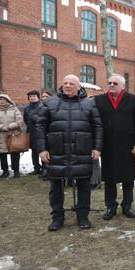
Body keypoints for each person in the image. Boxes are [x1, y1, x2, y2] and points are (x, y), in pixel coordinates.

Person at [36, 75, 102, 231]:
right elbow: (40, 127)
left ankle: (83, 216)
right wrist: (42, 149)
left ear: (79, 86)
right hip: (56, 151)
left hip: (82, 151)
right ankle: (57, 217)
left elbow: (98, 127)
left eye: (71, 83)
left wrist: (97, 148)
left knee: (84, 186)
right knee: (56, 187)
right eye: (65, 83)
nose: (67, 86)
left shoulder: (90, 104)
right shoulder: (50, 102)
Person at [94, 74, 135, 220]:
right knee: (109, 178)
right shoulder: (99, 100)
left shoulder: (132, 99)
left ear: (123, 86)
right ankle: (111, 206)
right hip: (108, 145)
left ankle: (127, 205)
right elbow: (96, 123)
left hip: (128, 145)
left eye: (115, 83)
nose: (111, 85)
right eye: (109, 83)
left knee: (128, 177)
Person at [0, 93, 25, 178]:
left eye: (4, 99)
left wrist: (11, 126)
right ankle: (5, 171)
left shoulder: (14, 109)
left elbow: (19, 120)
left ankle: (16, 171)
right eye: (0, 100)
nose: (2, 101)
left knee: (15, 153)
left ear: (8, 100)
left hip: (13, 133)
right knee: (2, 154)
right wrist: (1, 127)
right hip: (0, 134)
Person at [24, 90, 44, 175]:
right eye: (30, 96)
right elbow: (25, 120)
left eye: (34, 96)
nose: (32, 98)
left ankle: (44, 169)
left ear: (38, 97)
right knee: (33, 151)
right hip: (31, 132)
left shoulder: (42, 106)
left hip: (40, 132)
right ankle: (36, 168)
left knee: (42, 150)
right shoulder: (27, 108)